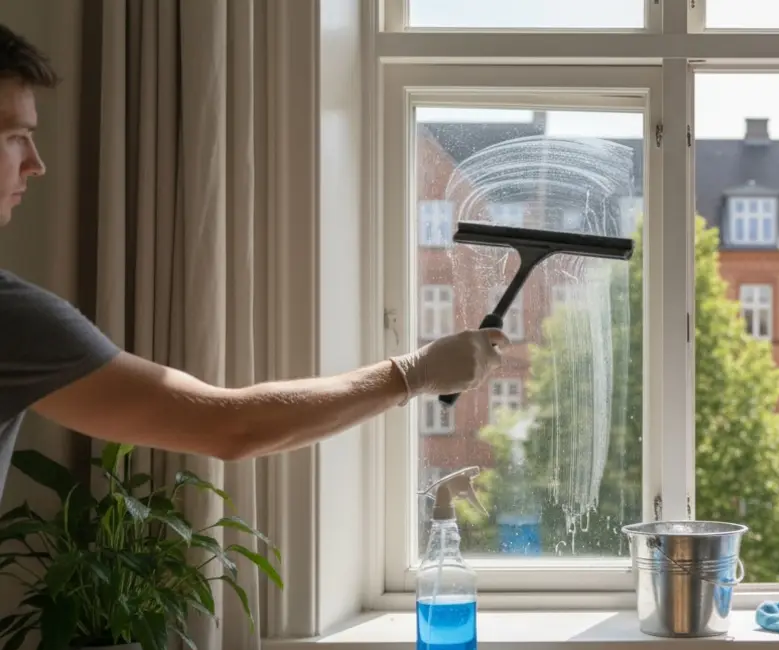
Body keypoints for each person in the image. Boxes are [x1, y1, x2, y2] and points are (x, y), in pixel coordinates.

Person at [0, 25, 507, 499]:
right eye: (14, 137)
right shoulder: (16, 321)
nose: (35, 163)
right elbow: (229, 426)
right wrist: (412, 372)